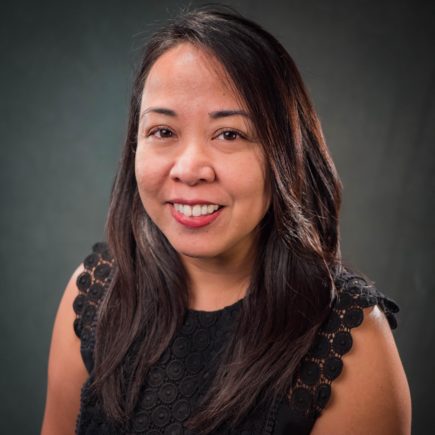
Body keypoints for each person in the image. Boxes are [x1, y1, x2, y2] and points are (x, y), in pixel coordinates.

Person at [41, 6, 411, 435]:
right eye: (163, 131)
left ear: (285, 158)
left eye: (230, 134)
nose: (190, 168)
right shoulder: (96, 293)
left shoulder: (348, 343)